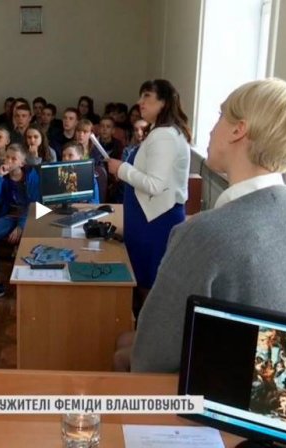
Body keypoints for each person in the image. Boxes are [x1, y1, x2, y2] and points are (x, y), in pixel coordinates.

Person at [126, 78, 286, 373]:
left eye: (220, 116)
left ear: (238, 130)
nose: (211, 129)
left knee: (123, 350)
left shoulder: (204, 233)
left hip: (215, 386)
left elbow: (152, 356)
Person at [106, 79, 191, 319]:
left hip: (155, 219)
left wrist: (121, 169)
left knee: (149, 282)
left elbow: (155, 184)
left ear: (163, 102)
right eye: (140, 96)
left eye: (147, 97)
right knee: (143, 278)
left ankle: (146, 329)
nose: (140, 102)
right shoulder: (161, 132)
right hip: (146, 215)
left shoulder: (164, 136)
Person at [0, 144, 40, 303]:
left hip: (30, 217)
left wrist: (21, 226)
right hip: (10, 216)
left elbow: (34, 205)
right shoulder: (2, 177)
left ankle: (30, 284)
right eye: (7, 157)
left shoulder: (32, 175)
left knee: (29, 240)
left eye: (14, 159)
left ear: (22, 163)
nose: (9, 161)